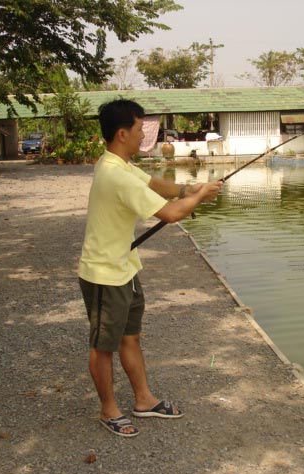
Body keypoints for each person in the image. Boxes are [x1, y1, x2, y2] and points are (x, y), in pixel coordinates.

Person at [79, 99, 222, 438]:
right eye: (140, 129)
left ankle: (143, 400)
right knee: (103, 347)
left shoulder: (119, 164)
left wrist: (191, 188)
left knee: (131, 336)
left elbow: (157, 185)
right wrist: (200, 198)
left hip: (124, 268)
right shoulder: (116, 175)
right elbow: (171, 214)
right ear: (122, 133)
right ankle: (108, 409)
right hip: (103, 274)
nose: (144, 134)